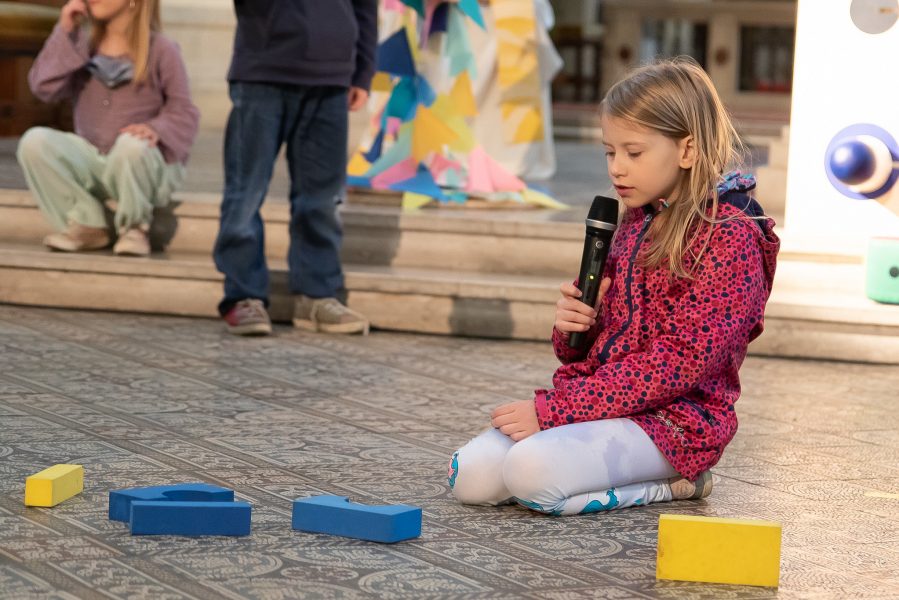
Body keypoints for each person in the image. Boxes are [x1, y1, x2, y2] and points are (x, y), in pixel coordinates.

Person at [447, 58, 780, 516]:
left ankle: (681, 482)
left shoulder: (730, 234)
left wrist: (554, 413)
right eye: (610, 152)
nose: (617, 169)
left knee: (531, 473)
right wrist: (573, 326)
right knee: (469, 476)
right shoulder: (636, 218)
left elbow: (679, 363)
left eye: (634, 152)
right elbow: (585, 352)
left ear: (687, 150)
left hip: (677, 420)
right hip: (604, 400)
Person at [213, 0, 377, 336]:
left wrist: (363, 69)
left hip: (332, 77)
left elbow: (365, 5)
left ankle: (317, 294)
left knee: (322, 199)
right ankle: (243, 295)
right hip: (263, 69)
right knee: (246, 192)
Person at [17, 0, 199, 257]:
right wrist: (65, 31)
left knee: (130, 144)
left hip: (139, 165)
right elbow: (42, 87)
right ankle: (88, 224)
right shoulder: (83, 48)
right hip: (95, 162)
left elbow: (184, 111)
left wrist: (155, 128)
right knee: (34, 142)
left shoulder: (160, 49)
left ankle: (134, 226)